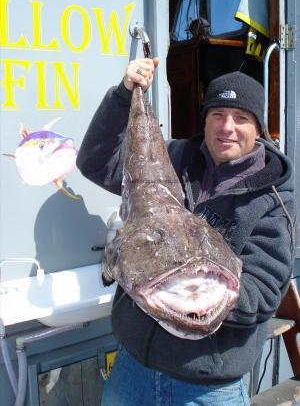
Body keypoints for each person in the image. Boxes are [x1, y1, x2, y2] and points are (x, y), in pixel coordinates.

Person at [76, 58, 296, 406]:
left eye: (241, 118)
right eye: (217, 115)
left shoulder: (272, 200)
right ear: (205, 120)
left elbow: (264, 291)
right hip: (133, 371)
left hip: (207, 390)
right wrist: (122, 96)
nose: (227, 127)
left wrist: (191, 298)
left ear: (258, 129)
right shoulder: (174, 159)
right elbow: (96, 162)